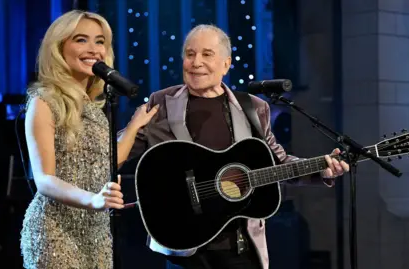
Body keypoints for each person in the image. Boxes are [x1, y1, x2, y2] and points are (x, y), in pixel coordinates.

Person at [117, 24, 349, 269]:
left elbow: (277, 163)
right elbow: (114, 156)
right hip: (182, 244)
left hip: (240, 246)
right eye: (189, 54)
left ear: (226, 64)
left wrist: (321, 170)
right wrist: (132, 128)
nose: (196, 62)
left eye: (207, 54)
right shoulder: (161, 102)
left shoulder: (253, 107)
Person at [20, 10, 158, 269]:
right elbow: (44, 180)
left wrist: (135, 126)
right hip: (55, 231)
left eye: (100, 41)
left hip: (95, 231)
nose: (93, 49)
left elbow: (105, 164)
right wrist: (94, 200)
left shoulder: (93, 106)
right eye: (81, 40)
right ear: (60, 47)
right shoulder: (44, 101)